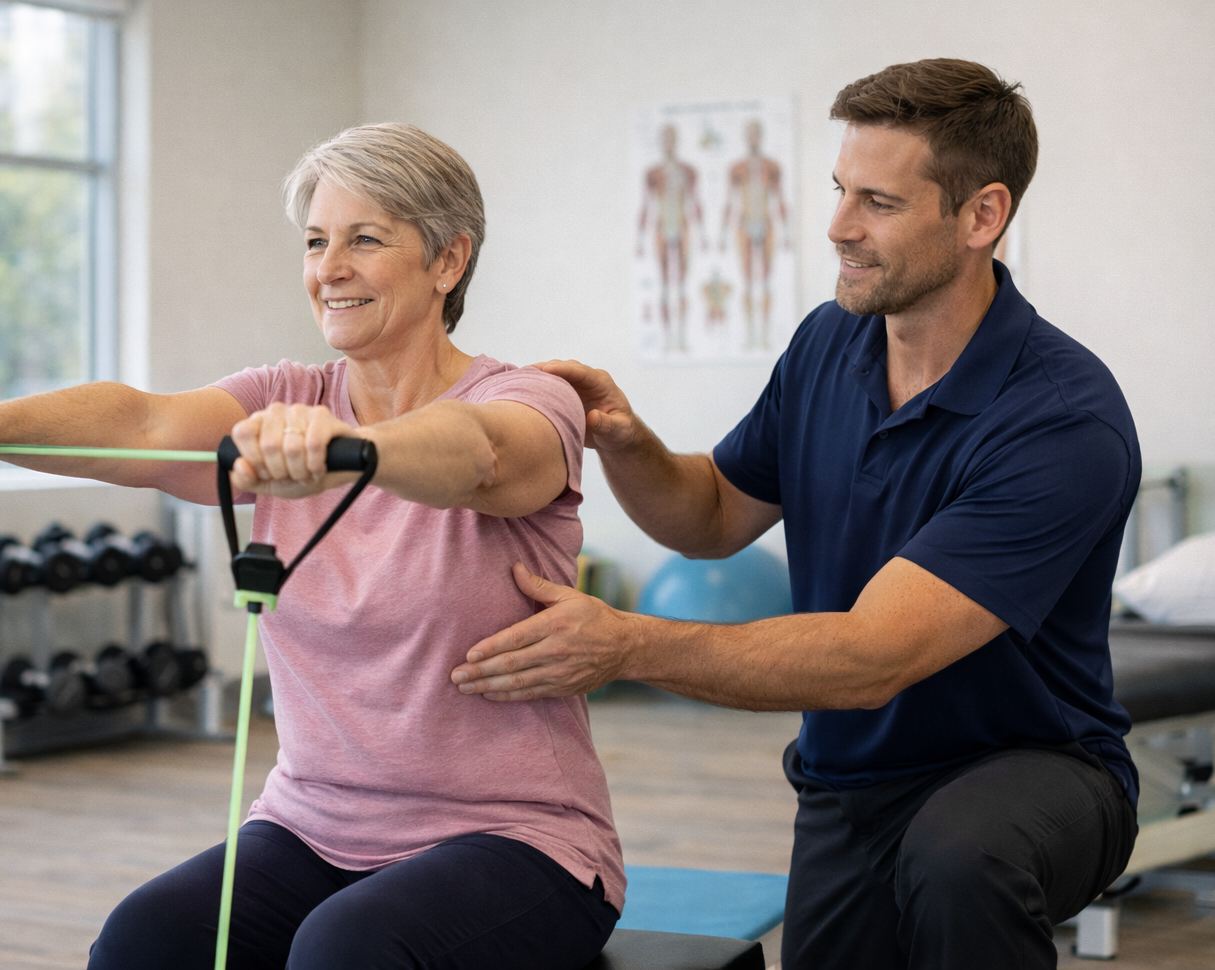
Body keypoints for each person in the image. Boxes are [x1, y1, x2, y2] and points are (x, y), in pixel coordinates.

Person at [0, 123, 623, 970]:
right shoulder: (280, 399)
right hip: (313, 827)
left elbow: (481, 454)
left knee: (347, 951)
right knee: (141, 943)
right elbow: (142, 423)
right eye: (317, 241)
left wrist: (349, 450)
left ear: (448, 261)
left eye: (366, 239)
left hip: (518, 840)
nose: (329, 268)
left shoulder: (531, 400)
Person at [451, 60, 1140, 969]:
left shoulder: (1061, 418)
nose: (838, 227)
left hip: (1036, 765)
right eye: (839, 190)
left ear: (982, 216)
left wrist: (624, 645)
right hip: (852, 777)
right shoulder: (829, 342)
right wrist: (627, 443)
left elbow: (871, 657)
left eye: (879, 203)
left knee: (961, 859)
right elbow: (711, 517)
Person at [719, 118, 788, 349]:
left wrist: (786, 232)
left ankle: (765, 335)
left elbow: (780, 199)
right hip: (745, 223)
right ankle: (750, 334)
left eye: (756, 134)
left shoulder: (771, 167)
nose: (753, 138)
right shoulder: (737, 168)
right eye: (750, 134)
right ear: (746, 137)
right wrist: (722, 233)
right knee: (748, 281)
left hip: (766, 223)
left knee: (766, 281)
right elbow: (730, 201)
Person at [637, 123, 704, 352]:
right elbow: (646, 205)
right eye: (665, 139)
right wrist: (640, 239)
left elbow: (695, 202)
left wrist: (703, 234)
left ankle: (682, 337)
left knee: (682, 285)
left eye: (671, 138)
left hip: (682, 226)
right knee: (665, 285)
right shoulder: (653, 174)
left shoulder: (687, 172)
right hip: (662, 226)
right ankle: (668, 339)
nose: (669, 143)